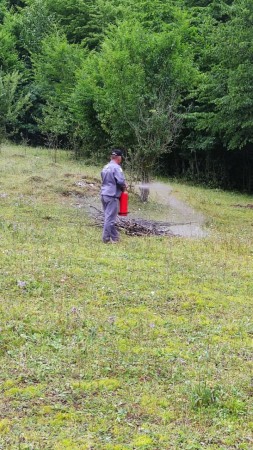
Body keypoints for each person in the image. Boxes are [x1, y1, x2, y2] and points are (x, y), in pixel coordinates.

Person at [101, 149, 127, 243]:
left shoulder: (106, 167)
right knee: (110, 219)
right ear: (119, 158)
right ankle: (106, 239)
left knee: (108, 217)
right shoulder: (117, 168)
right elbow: (120, 181)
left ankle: (115, 238)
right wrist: (124, 186)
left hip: (104, 194)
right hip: (112, 196)